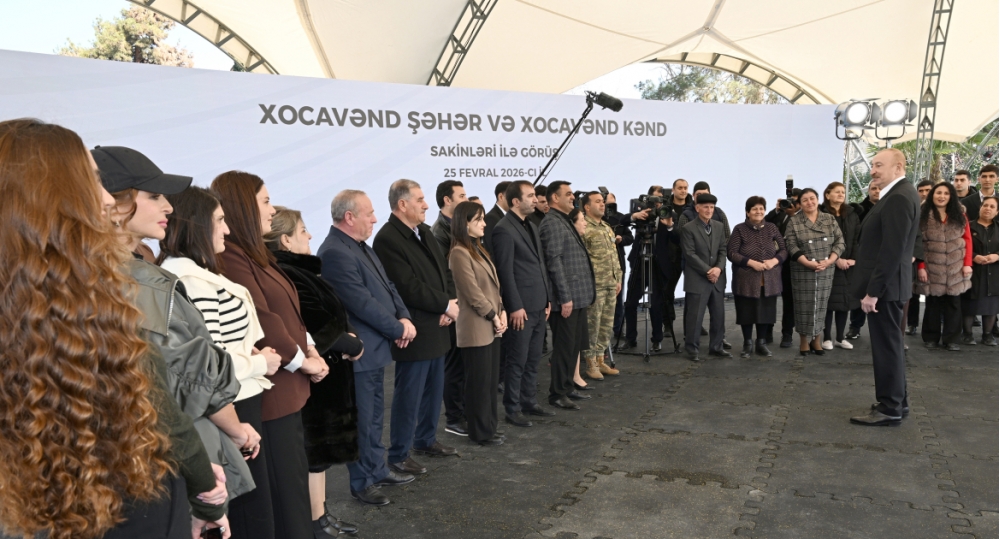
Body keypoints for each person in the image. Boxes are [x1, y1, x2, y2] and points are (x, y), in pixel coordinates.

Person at [0, 119, 227, 539]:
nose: (106, 199)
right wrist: (205, 489)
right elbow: (162, 407)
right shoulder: (95, 297)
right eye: (90, 181)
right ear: (44, 198)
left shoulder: (79, 294)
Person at [97, 147, 246, 528]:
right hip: (162, 461)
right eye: (153, 196)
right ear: (114, 204)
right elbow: (177, 385)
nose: (168, 206)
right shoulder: (132, 282)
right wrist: (206, 491)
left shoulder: (134, 271)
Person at [157, 186, 284, 539]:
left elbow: (214, 351)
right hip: (229, 405)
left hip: (234, 400)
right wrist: (259, 363)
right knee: (243, 517)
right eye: (219, 220)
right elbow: (205, 366)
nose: (226, 230)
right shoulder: (190, 279)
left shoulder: (194, 273)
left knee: (246, 513)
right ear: (197, 225)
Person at [211, 171, 329, 538]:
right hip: (271, 394)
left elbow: (289, 312)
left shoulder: (253, 254)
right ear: (242, 208)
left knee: (292, 491)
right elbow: (265, 319)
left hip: (286, 390)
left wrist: (310, 348)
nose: (273, 209)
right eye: (265, 201)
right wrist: (303, 361)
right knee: (285, 497)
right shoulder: (231, 258)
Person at [263, 207, 363, 537]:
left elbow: (334, 314)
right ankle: (315, 521)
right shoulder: (288, 274)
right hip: (313, 377)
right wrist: (351, 343)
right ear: (285, 240)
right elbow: (316, 324)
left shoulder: (300, 271)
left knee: (319, 456)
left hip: (326, 372)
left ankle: (321, 516)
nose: (309, 235)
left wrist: (350, 338)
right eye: (303, 230)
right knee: (313, 453)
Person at [316, 190, 416, 507]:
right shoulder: (334, 252)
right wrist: (398, 328)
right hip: (358, 354)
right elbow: (361, 303)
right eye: (369, 213)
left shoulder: (360, 246)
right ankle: (362, 482)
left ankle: (377, 470)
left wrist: (404, 317)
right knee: (360, 421)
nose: (374, 219)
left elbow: (389, 287)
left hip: (375, 350)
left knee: (373, 419)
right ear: (349, 217)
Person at [372, 180, 459, 475]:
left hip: (437, 325)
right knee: (409, 396)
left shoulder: (423, 230)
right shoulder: (387, 239)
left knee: (433, 392)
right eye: (420, 200)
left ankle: (425, 440)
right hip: (416, 330)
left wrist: (450, 302)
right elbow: (406, 287)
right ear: (402, 204)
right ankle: (399, 453)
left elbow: (444, 271)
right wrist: (444, 305)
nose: (426, 205)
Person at [849, 148, 921, 427]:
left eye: (879, 165)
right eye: (872, 165)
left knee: (887, 348)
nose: (872, 170)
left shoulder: (899, 197)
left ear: (898, 167)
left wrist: (873, 292)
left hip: (885, 290)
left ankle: (890, 407)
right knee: (891, 346)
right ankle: (898, 402)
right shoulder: (900, 194)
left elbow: (891, 251)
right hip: (891, 287)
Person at [493, 181, 555, 427]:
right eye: (530, 196)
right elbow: (505, 272)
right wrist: (515, 306)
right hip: (521, 307)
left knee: (533, 358)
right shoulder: (503, 229)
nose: (535, 199)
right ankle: (512, 408)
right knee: (517, 360)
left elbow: (540, 265)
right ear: (515, 201)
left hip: (539, 304)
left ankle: (529, 401)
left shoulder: (531, 225)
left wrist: (548, 299)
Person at [449, 201, 509, 444]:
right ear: (465, 224)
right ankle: (480, 432)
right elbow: (473, 293)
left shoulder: (477, 248)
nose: (484, 224)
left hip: (491, 325)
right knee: (479, 385)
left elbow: (494, 287)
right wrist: (494, 315)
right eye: (479, 220)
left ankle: (489, 427)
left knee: (490, 383)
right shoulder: (459, 253)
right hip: (476, 327)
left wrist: (501, 311)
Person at [539, 181, 596, 410]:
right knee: (564, 347)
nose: (573, 197)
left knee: (574, 346)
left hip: (578, 296)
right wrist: (564, 297)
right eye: (569, 194)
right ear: (555, 197)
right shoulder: (552, 223)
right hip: (567, 298)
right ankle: (558, 393)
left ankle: (568, 386)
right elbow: (554, 262)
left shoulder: (562, 219)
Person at [784, 188, 844, 355]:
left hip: (826, 267)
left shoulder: (829, 219)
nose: (809, 202)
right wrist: (806, 262)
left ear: (818, 200)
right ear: (800, 204)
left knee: (821, 303)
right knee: (803, 304)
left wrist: (830, 260)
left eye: (812, 198)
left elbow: (840, 242)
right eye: (805, 200)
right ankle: (804, 340)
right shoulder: (794, 221)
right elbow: (791, 245)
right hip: (803, 268)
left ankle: (817, 339)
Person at [916, 182, 973, 351]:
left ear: (951, 196)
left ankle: (952, 339)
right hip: (931, 267)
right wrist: (921, 266)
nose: (942, 196)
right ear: (932, 195)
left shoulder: (960, 215)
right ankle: (930, 338)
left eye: (946, 193)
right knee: (932, 302)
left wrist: (967, 264)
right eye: (938, 192)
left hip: (956, 267)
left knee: (954, 304)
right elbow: (918, 243)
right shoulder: (923, 215)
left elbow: (968, 240)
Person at [727, 196, 787, 358]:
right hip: (746, 279)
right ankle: (747, 343)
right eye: (754, 209)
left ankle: (761, 343)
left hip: (769, 278)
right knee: (746, 312)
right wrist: (751, 263)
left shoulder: (772, 228)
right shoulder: (739, 229)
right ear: (748, 212)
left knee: (765, 312)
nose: (758, 211)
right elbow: (731, 253)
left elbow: (783, 250)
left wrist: (774, 261)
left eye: (761, 208)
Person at [432, 180, 468, 437]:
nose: (465, 199)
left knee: (463, 365)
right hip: (454, 308)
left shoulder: (456, 228)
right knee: (454, 366)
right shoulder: (439, 232)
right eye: (461, 195)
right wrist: (449, 304)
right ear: (447, 200)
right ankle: (454, 418)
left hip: (464, 307)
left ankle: (463, 412)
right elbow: (443, 274)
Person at [621, 186, 673, 351]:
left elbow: (677, 238)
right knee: (630, 303)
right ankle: (630, 339)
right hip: (639, 262)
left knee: (656, 304)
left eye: (659, 201)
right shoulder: (640, 213)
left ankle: (657, 339)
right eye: (653, 200)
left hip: (658, 265)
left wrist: (670, 226)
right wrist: (633, 216)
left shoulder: (667, 214)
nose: (656, 204)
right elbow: (621, 221)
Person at [680, 193, 731, 361]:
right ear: (697, 208)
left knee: (718, 316)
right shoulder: (688, 228)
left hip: (717, 279)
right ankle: (692, 348)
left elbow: (723, 250)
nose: (709, 210)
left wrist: (718, 269)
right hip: (697, 279)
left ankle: (716, 347)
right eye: (705, 207)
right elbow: (689, 254)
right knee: (695, 317)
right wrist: (709, 271)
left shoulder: (718, 226)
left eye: (711, 207)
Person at [581, 192, 622, 379]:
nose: (602, 205)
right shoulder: (584, 228)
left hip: (610, 284)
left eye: (603, 202)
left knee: (606, 325)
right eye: (597, 202)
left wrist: (618, 278)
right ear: (587, 207)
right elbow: (582, 259)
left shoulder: (606, 227)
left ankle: (600, 358)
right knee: (593, 325)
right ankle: (590, 363)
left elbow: (614, 256)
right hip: (595, 285)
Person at [821, 182, 861, 350]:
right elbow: (821, 241)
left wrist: (854, 259)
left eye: (843, 192)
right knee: (829, 303)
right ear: (827, 195)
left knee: (845, 302)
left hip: (848, 265)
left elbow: (858, 238)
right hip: (829, 264)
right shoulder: (821, 214)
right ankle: (826, 338)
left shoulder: (852, 214)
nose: (841, 194)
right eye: (837, 192)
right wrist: (835, 259)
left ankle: (840, 337)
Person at [765, 188, 801, 347]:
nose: (791, 204)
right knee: (769, 297)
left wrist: (793, 215)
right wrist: (777, 209)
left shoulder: (803, 217)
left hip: (791, 263)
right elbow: (764, 222)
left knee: (789, 300)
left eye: (795, 201)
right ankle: (767, 331)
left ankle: (787, 333)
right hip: (774, 261)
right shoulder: (779, 214)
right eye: (790, 200)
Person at [846, 181, 882, 340]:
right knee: (860, 293)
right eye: (873, 188)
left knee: (882, 295)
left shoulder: (891, 207)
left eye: (879, 188)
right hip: (862, 257)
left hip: (882, 256)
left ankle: (881, 331)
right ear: (868, 191)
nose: (877, 191)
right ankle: (855, 327)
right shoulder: (858, 210)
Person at [962, 196, 999, 345]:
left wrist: (997, 256)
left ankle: (988, 335)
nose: (988, 209)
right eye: (985, 205)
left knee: (991, 305)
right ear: (980, 207)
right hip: (972, 271)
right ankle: (967, 334)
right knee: (969, 303)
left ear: (997, 212)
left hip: (994, 272)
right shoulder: (968, 226)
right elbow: (960, 246)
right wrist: (974, 257)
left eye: (992, 207)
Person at [906, 179, 935, 334]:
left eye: (928, 190)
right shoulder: (914, 209)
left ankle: (932, 327)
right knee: (913, 293)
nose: (924, 194)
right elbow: (914, 236)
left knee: (933, 295)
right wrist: (918, 259)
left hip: (937, 259)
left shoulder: (944, 210)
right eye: (921, 191)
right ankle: (912, 324)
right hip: (917, 257)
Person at [604, 192, 634, 340]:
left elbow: (630, 238)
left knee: (618, 298)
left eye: (613, 204)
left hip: (618, 262)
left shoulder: (621, 219)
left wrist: (621, 239)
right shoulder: (595, 219)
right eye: (608, 204)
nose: (610, 207)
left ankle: (618, 329)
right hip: (601, 264)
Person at [483, 181, 511, 254]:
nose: (516, 201)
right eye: (512, 197)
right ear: (501, 197)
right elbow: (491, 249)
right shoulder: (491, 218)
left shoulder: (510, 217)